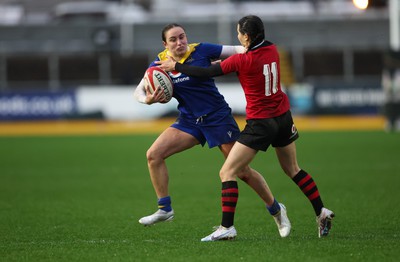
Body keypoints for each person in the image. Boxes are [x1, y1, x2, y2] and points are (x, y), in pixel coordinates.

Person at [158, 15, 335, 240]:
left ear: (247, 36)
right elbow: (215, 66)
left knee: (228, 171)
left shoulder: (243, 60)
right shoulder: (272, 49)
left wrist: (177, 66)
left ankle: (227, 227)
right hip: (283, 117)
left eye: (239, 33)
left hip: (261, 123)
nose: (238, 36)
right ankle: (321, 210)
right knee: (293, 169)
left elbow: (207, 73)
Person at [134, 23, 291, 240]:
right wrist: (147, 99)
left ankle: (276, 210)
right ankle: (165, 209)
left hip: (218, 118)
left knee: (242, 171)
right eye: (173, 39)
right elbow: (139, 90)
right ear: (165, 44)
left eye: (182, 37)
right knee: (153, 155)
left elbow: (240, 49)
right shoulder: (160, 63)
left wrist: (235, 61)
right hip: (189, 121)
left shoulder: (201, 50)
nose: (179, 42)